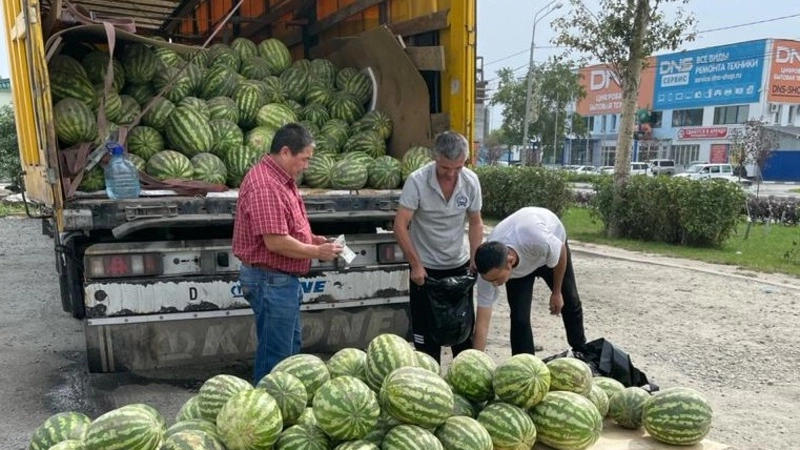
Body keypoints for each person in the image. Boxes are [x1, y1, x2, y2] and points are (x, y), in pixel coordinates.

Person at [233, 123, 343, 384]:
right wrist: (316, 251)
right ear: (285, 152)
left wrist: (314, 239)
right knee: (277, 358)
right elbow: (276, 242)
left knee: (290, 352)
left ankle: (283, 408)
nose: (306, 166)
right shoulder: (266, 186)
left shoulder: (281, 179)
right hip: (270, 280)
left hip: (280, 281)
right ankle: (265, 412)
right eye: (304, 159)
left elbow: (287, 229)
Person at [393, 131, 484, 363]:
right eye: (446, 168)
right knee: (427, 340)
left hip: (458, 266)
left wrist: (476, 258)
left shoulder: (471, 181)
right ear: (435, 158)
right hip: (426, 271)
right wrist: (415, 265)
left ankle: (464, 387)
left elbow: (475, 222)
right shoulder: (417, 181)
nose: (451, 174)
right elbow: (400, 226)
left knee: (462, 336)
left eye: (458, 168)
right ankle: (428, 384)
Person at [472, 206, 586, 355]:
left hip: (548, 254)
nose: (494, 284)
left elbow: (561, 249)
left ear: (509, 261)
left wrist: (557, 292)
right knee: (519, 318)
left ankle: (581, 350)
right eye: (491, 280)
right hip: (521, 268)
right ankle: (524, 362)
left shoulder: (537, 239)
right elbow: (482, 322)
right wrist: (476, 357)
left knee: (570, 299)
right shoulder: (488, 270)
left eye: (497, 279)